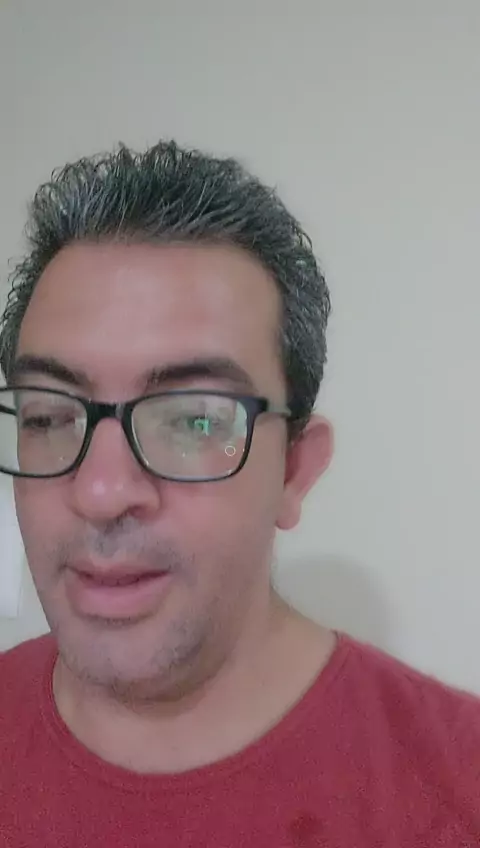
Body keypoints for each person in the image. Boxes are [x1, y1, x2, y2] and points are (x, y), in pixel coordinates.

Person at [0, 139, 478, 847]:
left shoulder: (456, 791)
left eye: (194, 420)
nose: (100, 491)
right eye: (48, 416)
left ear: (293, 471)